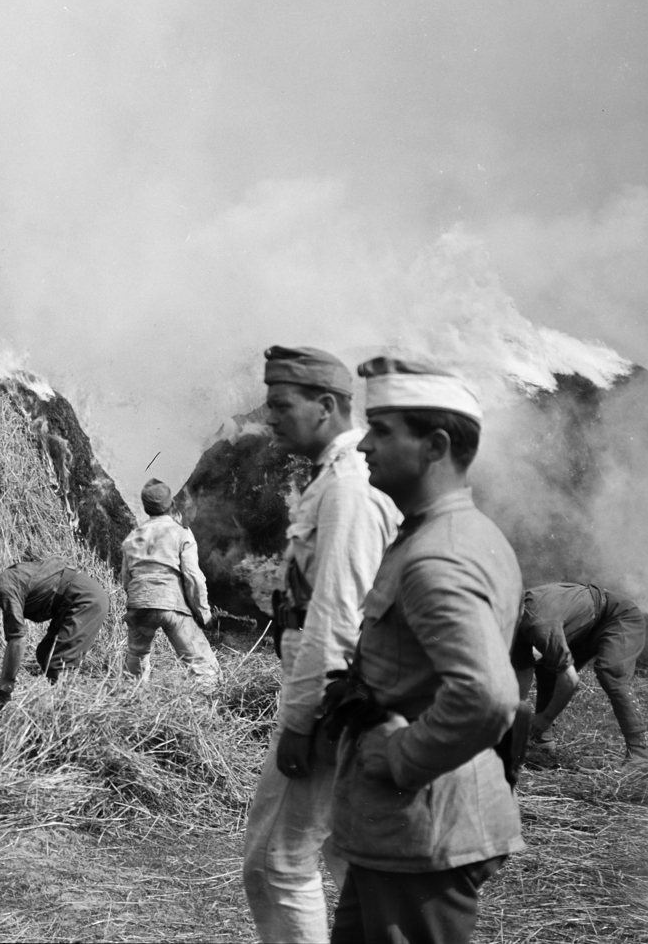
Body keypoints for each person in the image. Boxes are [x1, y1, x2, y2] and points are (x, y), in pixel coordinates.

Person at [327, 357, 523, 944]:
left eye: (383, 430)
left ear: (435, 446)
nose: (363, 444)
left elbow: (488, 696)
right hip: (401, 830)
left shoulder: (438, 555)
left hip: (423, 828)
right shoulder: (456, 534)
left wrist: (401, 756)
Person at [242, 345, 402, 944]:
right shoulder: (336, 482)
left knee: (275, 866)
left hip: (334, 704)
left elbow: (335, 618)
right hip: (348, 701)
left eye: (282, 403)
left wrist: (301, 722)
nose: (270, 415)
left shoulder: (348, 489)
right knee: (341, 857)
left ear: (327, 405)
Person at [512, 582, 648, 764]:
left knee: (611, 671)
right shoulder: (514, 621)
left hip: (617, 616)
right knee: (548, 669)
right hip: (583, 625)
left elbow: (570, 680)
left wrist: (545, 718)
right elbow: (523, 669)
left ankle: (639, 755)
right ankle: (542, 741)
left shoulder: (539, 622)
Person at [0, 558, 109, 706]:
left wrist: (6, 683)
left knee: (60, 662)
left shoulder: (5, 588)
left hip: (84, 599)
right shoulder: (6, 581)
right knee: (46, 653)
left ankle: (70, 713)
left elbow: (17, 640)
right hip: (73, 600)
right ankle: (62, 706)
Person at [119, 479, 220, 685]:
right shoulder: (181, 533)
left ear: (146, 508)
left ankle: (132, 703)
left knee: (136, 658)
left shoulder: (132, 537)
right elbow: (193, 577)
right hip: (170, 605)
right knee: (202, 665)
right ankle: (204, 711)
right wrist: (204, 615)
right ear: (171, 504)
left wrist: (139, 602)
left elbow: (126, 580)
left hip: (138, 605)